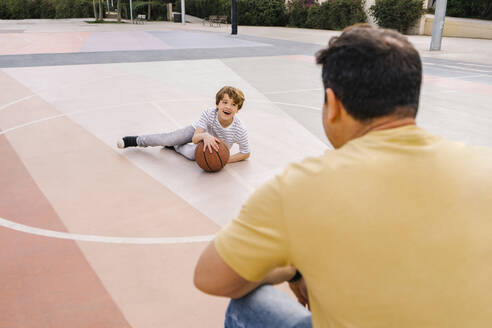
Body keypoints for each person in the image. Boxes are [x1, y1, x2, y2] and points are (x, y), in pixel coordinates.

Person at [193, 24, 492, 328]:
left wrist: (294, 270)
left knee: (246, 305)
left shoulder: (300, 186)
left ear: (332, 104)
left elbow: (209, 278)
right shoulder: (485, 166)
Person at [117, 86, 250, 163]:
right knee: (168, 139)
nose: (228, 107)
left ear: (238, 109)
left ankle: (176, 147)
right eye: (225, 102)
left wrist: (225, 160)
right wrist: (205, 136)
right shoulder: (210, 113)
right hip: (196, 132)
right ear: (217, 104)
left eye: (233, 104)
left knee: (195, 156)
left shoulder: (240, 129)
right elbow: (195, 138)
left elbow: (245, 153)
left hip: (212, 147)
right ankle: (135, 140)